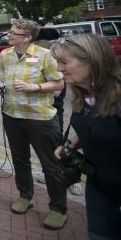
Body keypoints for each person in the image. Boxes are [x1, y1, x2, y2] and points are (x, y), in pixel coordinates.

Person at [51, 34, 121, 240]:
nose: (59, 69)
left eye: (65, 62)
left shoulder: (119, 97)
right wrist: (73, 143)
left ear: (92, 61)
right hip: (100, 187)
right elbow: (99, 124)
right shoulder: (84, 94)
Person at [0, 18, 67, 230]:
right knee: (20, 160)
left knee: (50, 164)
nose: (9, 35)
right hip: (12, 116)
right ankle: (25, 196)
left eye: (14, 33)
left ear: (28, 38)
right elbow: (4, 79)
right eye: (9, 31)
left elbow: (59, 84)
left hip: (40, 119)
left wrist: (33, 87)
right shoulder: (5, 55)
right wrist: (0, 87)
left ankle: (58, 208)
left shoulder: (45, 55)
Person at [34, 28, 83, 196]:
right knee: (52, 145)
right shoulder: (41, 57)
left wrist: (34, 86)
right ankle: (55, 174)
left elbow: (56, 90)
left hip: (54, 108)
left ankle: (75, 180)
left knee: (59, 141)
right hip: (43, 109)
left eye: (38, 42)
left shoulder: (56, 59)